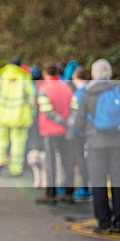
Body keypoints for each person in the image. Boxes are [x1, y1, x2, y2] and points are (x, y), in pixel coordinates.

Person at [72, 59, 120, 233]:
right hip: (118, 144)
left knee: (98, 182)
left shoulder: (87, 93)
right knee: (118, 182)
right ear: (110, 74)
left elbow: (78, 123)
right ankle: (119, 222)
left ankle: (103, 222)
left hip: (96, 145)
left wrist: (88, 133)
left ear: (93, 75)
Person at [35, 63, 75, 204]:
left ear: (45, 73)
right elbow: (74, 107)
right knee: (67, 161)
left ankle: (51, 194)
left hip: (50, 130)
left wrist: (60, 121)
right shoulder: (67, 87)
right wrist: (67, 123)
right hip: (66, 131)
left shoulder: (43, 88)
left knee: (51, 163)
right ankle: (68, 192)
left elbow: (46, 110)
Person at [0, 57, 35, 176]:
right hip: (19, 117)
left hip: (1, 116)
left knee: (0, 142)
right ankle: (15, 168)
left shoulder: (1, 76)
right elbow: (31, 99)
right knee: (18, 144)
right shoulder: (25, 78)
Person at [70, 66, 92, 201]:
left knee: (80, 160)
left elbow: (75, 114)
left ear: (75, 78)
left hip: (80, 132)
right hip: (94, 132)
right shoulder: (92, 90)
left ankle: (84, 188)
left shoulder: (78, 93)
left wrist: (73, 129)